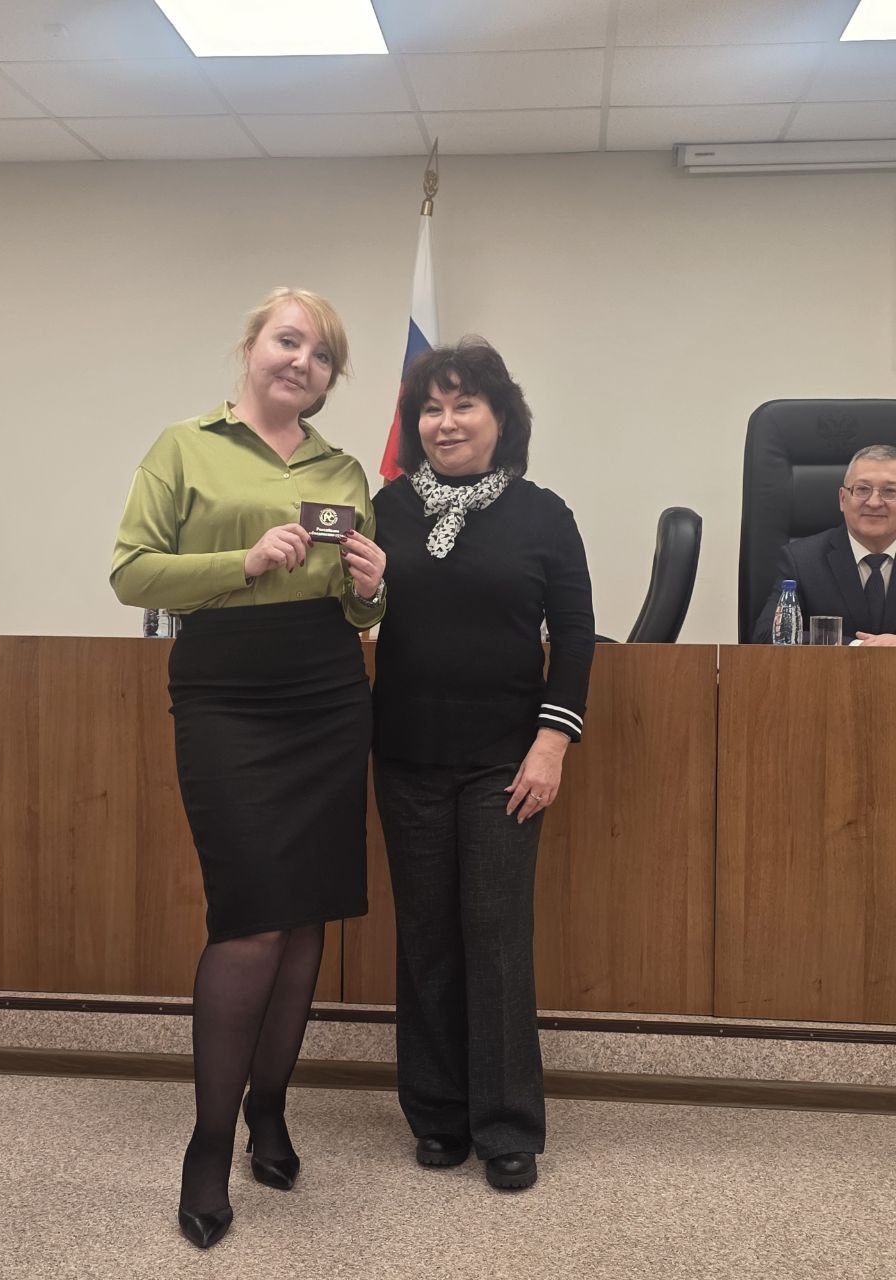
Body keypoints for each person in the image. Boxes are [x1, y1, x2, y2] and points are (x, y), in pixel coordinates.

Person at [110, 287, 386, 1249]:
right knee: (251, 918)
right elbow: (131, 572)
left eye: (322, 354)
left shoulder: (343, 468)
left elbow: (358, 611)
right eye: (289, 341)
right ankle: (209, 1142)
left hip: (327, 689)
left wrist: (372, 590)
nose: (302, 362)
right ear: (254, 347)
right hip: (226, 691)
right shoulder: (184, 447)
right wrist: (243, 559)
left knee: (305, 914)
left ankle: (271, 1107)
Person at [371, 339, 595, 1192]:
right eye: (431, 408)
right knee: (425, 936)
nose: (446, 422)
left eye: (465, 404)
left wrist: (552, 742)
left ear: (503, 419)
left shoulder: (544, 515)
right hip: (406, 754)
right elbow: (355, 606)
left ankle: (507, 1125)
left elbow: (575, 634)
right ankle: (436, 1115)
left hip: (506, 760)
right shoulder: (386, 510)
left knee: (496, 938)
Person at [752, 444, 896, 645]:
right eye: (862, 489)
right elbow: (767, 635)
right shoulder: (801, 561)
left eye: (890, 491)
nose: (874, 502)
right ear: (843, 499)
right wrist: (857, 647)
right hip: (830, 667)